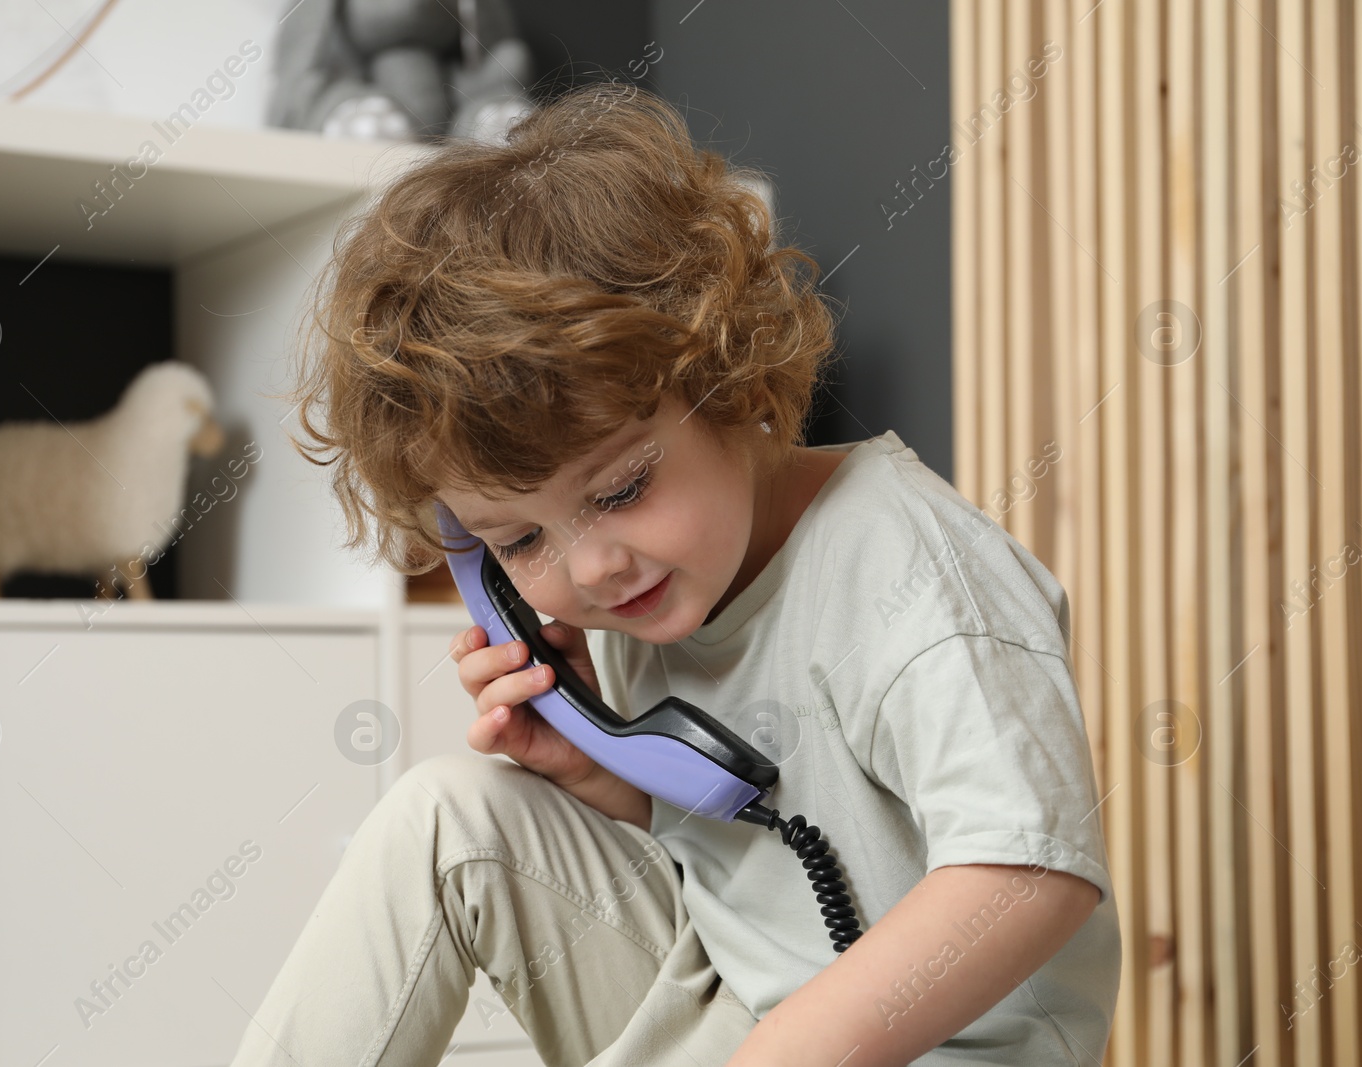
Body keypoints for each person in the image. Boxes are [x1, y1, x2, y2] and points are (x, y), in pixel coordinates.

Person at [229, 80, 1120, 1067]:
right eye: (517, 541)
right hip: (731, 1004)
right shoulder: (659, 588)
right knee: (444, 815)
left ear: (731, 378)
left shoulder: (905, 562)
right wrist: (605, 771)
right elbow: (762, 858)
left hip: (927, 1049)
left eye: (618, 489)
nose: (592, 567)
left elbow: (1028, 872)